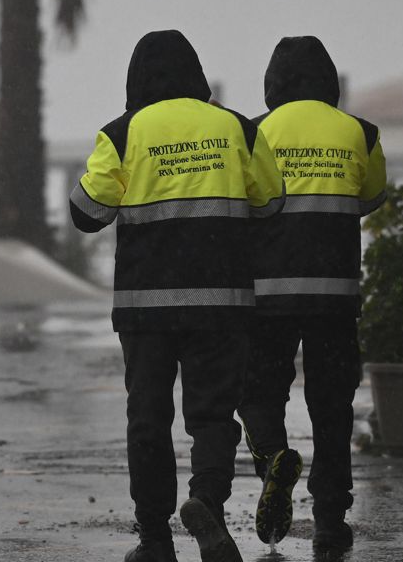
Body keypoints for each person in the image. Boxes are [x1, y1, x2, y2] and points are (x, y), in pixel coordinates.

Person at [69, 29, 285, 562]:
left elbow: (86, 213)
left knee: (148, 418)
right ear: (196, 75)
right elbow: (272, 201)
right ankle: (206, 500)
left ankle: (156, 538)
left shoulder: (123, 133)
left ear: (136, 80)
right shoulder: (236, 127)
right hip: (223, 302)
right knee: (212, 416)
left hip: (148, 309)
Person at [237, 36, 386, 558]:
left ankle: (275, 459)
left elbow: (246, 200)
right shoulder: (361, 133)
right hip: (335, 296)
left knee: (257, 392)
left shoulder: (254, 132)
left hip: (268, 296)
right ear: (330, 82)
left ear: (273, 83)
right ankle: (329, 521)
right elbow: (370, 197)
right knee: (331, 407)